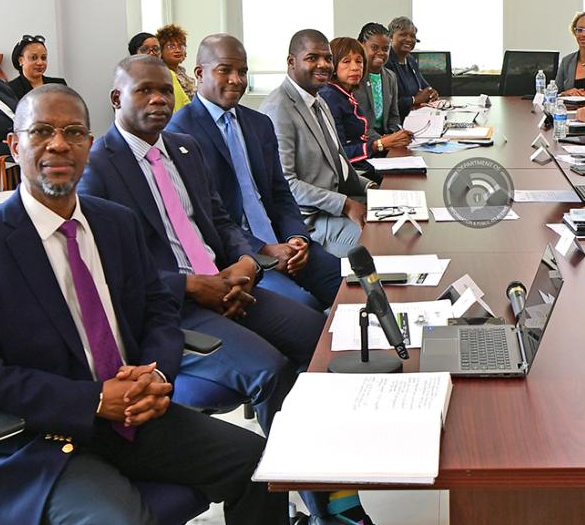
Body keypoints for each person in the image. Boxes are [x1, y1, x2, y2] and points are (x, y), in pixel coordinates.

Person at [0, 85, 293, 525]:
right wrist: (95, 399)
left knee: (257, 465)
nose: (58, 144)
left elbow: (159, 310)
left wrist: (155, 373)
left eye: (73, 132)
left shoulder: (115, 223)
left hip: (132, 414)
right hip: (36, 440)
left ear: (90, 145)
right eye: (41, 131)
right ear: (14, 145)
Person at [78, 55, 324, 432]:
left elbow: (220, 220)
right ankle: (292, 485)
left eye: (164, 91)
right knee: (270, 370)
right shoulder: (98, 168)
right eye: (144, 91)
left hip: (228, 285)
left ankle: (325, 465)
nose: (159, 100)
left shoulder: (184, 148)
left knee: (319, 337)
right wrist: (191, 286)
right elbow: (109, 271)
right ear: (116, 98)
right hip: (172, 307)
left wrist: (246, 261)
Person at [167, 34, 343, 311]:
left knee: (353, 286)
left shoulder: (258, 123)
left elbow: (280, 192)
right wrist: (263, 249)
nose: (236, 80)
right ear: (200, 73)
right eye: (225, 70)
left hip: (285, 244)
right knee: (306, 309)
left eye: (243, 72)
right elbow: (207, 216)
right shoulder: (179, 134)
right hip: (240, 257)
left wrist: (296, 238)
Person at [262, 29, 369, 257]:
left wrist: (371, 189)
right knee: (378, 245)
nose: (323, 65)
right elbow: (287, 184)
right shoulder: (279, 108)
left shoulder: (318, 100)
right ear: (291, 62)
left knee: (398, 225)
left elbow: (338, 165)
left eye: (328, 58)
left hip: (334, 204)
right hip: (310, 221)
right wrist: (347, 205)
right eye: (312, 58)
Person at [318, 37, 378, 164]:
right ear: (332, 65)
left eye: (359, 61)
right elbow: (338, 153)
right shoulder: (329, 97)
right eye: (346, 61)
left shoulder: (344, 93)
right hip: (349, 170)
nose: (355, 67)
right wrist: (378, 145)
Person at [356, 23, 408, 144]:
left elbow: (394, 116)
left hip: (386, 140)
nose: (381, 53)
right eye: (374, 48)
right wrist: (381, 140)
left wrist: (394, 133)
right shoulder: (354, 76)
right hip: (365, 143)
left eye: (385, 49)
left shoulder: (390, 77)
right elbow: (356, 123)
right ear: (361, 46)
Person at [383, 16, 439, 109]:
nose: (409, 39)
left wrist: (432, 93)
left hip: (415, 115)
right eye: (403, 35)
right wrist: (414, 100)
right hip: (397, 119)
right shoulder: (386, 62)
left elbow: (425, 87)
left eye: (412, 36)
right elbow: (387, 101)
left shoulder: (410, 60)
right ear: (391, 37)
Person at [7, 34, 68, 99]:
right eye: (33, 57)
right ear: (20, 60)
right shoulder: (10, 89)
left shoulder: (59, 85)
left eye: (43, 58)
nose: (40, 62)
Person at [155, 24, 193, 110]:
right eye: (171, 46)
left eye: (181, 46)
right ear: (161, 50)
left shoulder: (182, 73)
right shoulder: (161, 75)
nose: (177, 50)